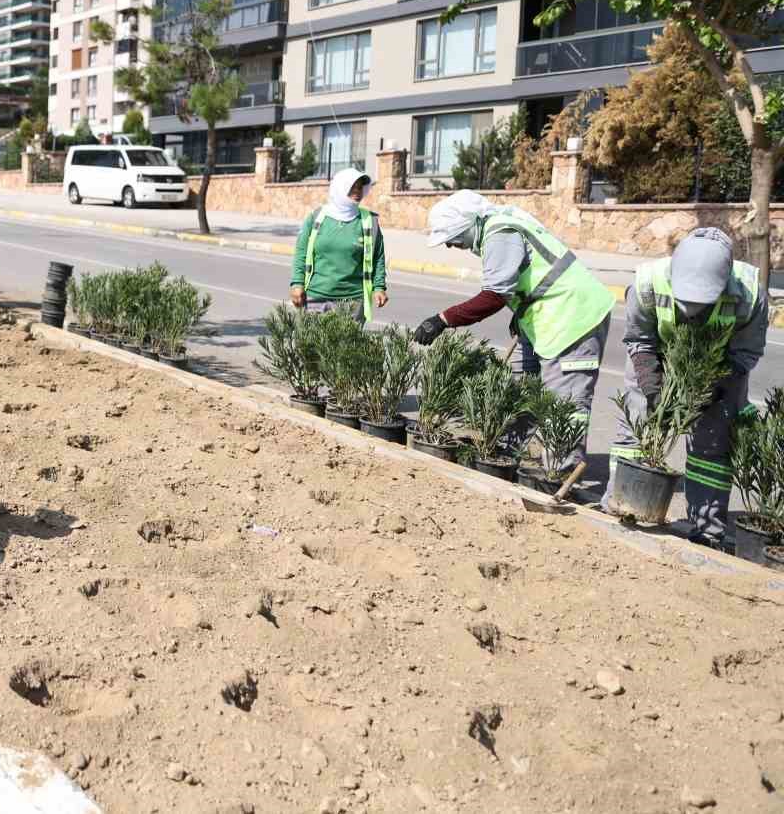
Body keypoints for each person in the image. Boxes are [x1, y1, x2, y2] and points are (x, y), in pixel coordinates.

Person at [414, 190, 615, 472]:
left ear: (470, 224)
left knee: (564, 405)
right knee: (522, 390)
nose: (452, 245)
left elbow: (494, 296)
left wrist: (443, 319)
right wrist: (520, 314)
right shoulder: (502, 220)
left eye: (453, 237)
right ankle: (506, 455)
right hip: (544, 318)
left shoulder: (500, 233)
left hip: (573, 318)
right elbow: (528, 275)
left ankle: (559, 475)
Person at [610, 228, 765, 546]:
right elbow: (639, 341)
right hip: (656, 356)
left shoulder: (749, 294)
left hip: (717, 367)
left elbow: (745, 353)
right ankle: (621, 505)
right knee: (636, 424)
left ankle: (708, 530)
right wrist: (653, 389)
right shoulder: (647, 283)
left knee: (712, 446)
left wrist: (712, 389)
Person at [289, 167, 388, 322]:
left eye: (360, 187)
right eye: (352, 187)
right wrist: (297, 283)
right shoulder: (316, 217)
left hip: (353, 302)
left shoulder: (369, 221)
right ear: (340, 188)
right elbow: (301, 252)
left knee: (347, 346)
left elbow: (378, 257)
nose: (357, 191)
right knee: (312, 345)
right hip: (316, 296)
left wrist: (379, 287)